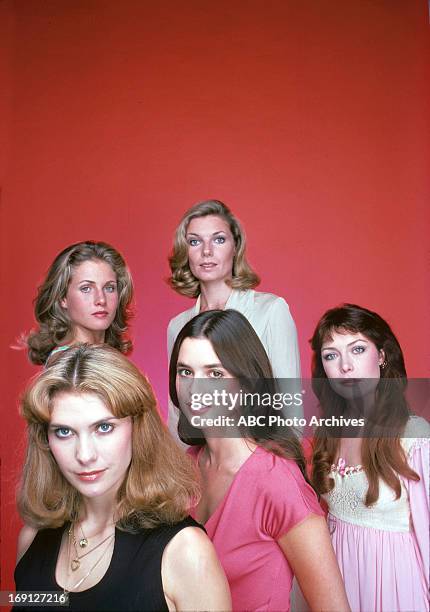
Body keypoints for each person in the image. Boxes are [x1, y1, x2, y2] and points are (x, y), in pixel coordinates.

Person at [15, 345, 231, 612]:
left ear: (137, 428)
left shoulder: (185, 551)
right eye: (64, 432)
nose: (84, 455)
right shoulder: (32, 540)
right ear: (45, 440)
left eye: (104, 427)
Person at [169, 309, 350, 612]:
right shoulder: (187, 467)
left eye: (215, 374)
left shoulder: (276, 479)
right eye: (185, 371)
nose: (195, 389)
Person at [310, 304, 429, 612]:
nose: (345, 366)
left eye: (358, 349)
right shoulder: (329, 431)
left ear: (382, 355)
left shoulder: (413, 435)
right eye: (331, 355)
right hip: (337, 585)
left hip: (394, 586)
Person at [167, 199, 301, 440]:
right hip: (202, 465)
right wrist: (183, 474)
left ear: (235, 246)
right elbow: (177, 414)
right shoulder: (177, 326)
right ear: (184, 251)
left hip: (261, 459)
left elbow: (290, 409)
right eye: (195, 241)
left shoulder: (271, 311)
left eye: (218, 239)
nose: (206, 251)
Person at [26, 241, 134, 365]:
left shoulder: (101, 358)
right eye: (86, 288)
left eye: (109, 288)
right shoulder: (72, 365)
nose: (101, 300)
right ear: (62, 297)